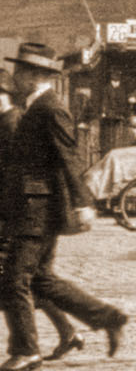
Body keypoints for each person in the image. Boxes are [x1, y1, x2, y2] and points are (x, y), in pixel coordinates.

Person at [0, 43, 128, 368]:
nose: (14, 78)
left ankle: (26, 350)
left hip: (37, 209)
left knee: (15, 278)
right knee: (41, 280)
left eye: (19, 72)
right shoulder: (34, 107)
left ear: (33, 75)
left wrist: (83, 202)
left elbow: (69, 158)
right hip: (30, 206)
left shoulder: (50, 108)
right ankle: (108, 317)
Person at [0, 81, 86, 365]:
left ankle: (28, 349)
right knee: (27, 280)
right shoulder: (11, 119)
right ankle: (66, 332)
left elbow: (18, 172)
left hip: (21, 212)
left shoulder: (13, 121)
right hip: (17, 210)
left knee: (17, 281)